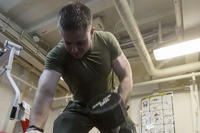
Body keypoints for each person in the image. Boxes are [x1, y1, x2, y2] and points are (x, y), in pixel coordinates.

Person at [26, 2, 136, 133]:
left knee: (127, 130)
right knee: (62, 128)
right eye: (68, 42)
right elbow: (46, 92)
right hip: (80, 107)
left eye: (80, 42)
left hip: (107, 101)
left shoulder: (107, 40)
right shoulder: (57, 55)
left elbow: (126, 76)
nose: (74, 49)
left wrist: (117, 108)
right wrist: (35, 128)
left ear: (92, 32)